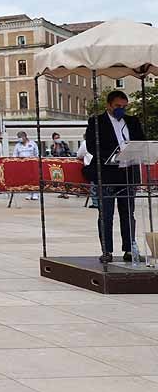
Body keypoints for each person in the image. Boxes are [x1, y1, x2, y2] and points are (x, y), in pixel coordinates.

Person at [86, 90, 145, 263]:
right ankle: (107, 251)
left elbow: (141, 141)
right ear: (109, 105)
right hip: (108, 174)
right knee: (106, 215)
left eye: (124, 107)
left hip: (128, 173)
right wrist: (113, 155)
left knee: (128, 213)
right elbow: (92, 147)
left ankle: (129, 249)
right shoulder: (97, 122)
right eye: (118, 106)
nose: (121, 110)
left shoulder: (132, 122)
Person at [13, 132, 41, 201]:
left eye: (20, 136)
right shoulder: (17, 145)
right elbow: (14, 155)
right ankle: (29, 193)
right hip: (23, 165)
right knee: (26, 179)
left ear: (25, 136)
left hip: (32, 164)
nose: (19, 138)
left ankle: (35, 193)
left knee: (34, 179)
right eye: (18, 137)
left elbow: (37, 154)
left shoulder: (33, 143)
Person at [77, 141, 98, 209]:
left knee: (93, 185)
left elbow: (79, 155)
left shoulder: (85, 143)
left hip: (91, 166)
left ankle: (96, 203)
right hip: (101, 165)